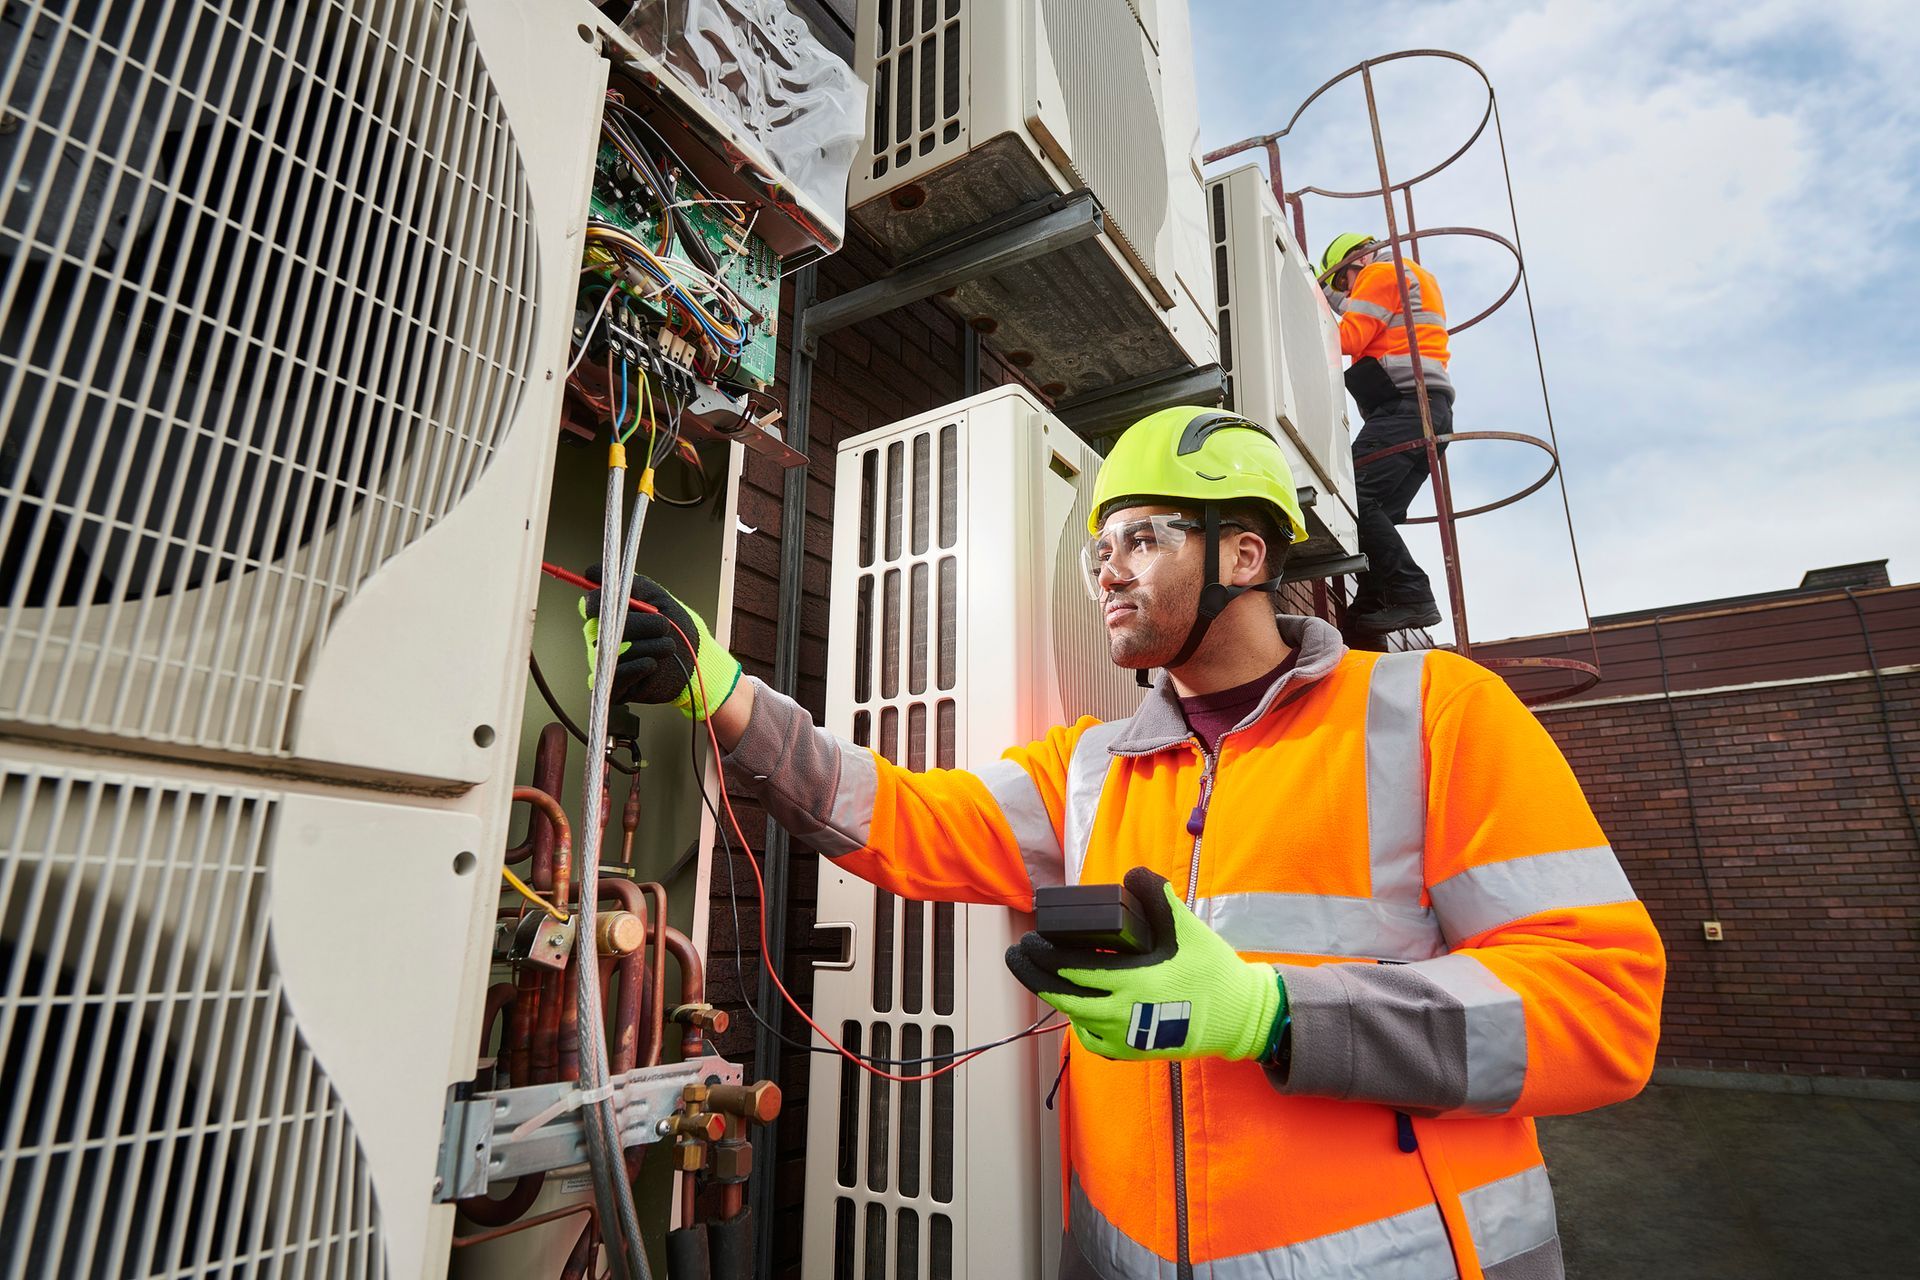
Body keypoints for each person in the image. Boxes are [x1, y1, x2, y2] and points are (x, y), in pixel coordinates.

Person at [586, 406, 1666, 1280]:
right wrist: (724, 693)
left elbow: (1601, 1006)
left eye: (1142, 536)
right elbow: (906, 816)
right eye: (1100, 544)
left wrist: (1275, 1012)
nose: (1105, 567)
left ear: (1246, 551)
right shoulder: (1092, 765)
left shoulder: (1432, 713)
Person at [1320, 232, 1455, 634]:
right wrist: (1325, 293)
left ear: (1353, 262)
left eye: (1342, 280)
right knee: (1380, 511)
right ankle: (1373, 601)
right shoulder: (1403, 275)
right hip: (1430, 412)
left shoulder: (1380, 271)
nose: (1346, 292)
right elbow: (1355, 310)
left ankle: (1411, 591)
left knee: (1354, 495)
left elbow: (1348, 337)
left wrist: (1312, 303)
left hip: (1405, 408)